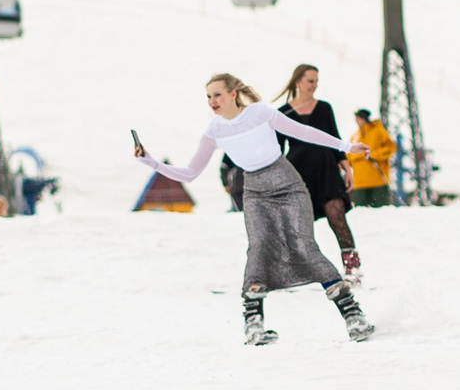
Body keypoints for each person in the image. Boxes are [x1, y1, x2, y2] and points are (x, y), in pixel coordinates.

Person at [135, 71, 376, 346]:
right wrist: (151, 162)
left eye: (217, 95)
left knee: (303, 244)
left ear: (233, 94)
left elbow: (304, 132)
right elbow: (190, 173)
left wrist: (346, 147)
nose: (212, 101)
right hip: (255, 192)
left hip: (288, 185)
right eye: (209, 97)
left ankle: (353, 315)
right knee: (259, 248)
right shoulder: (214, 131)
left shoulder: (260, 113)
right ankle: (253, 324)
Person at [275, 65, 362, 282]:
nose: (314, 85)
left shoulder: (324, 108)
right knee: (298, 226)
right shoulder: (283, 113)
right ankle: (293, 271)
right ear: (298, 82)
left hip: (327, 170)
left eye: (316, 81)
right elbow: (277, 150)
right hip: (299, 173)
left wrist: (347, 167)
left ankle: (352, 268)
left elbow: (335, 138)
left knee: (337, 215)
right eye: (310, 81)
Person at [348, 109, 397, 208]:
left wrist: (373, 154)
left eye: (358, 118)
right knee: (361, 212)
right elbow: (349, 154)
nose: (356, 120)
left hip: (377, 181)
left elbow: (390, 148)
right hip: (360, 182)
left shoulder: (378, 131)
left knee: (381, 211)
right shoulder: (355, 135)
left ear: (363, 118)